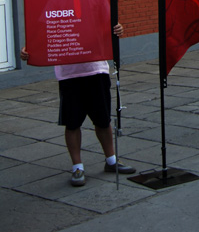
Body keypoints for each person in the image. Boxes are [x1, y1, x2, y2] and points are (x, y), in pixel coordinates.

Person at [21, 23, 136, 187]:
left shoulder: (94, 0)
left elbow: (107, 26)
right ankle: (77, 167)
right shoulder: (57, 5)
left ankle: (111, 160)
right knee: (72, 122)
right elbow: (42, 32)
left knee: (103, 120)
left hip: (96, 69)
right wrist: (30, 50)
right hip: (69, 74)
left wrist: (117, 28)